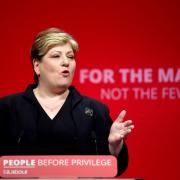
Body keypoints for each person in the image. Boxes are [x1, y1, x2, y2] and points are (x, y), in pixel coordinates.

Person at [0, 27, 134, 175]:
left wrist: (114, 146)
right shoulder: (7, 108)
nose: (66, 62)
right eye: (56, 56)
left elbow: (115, 168)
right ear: (37, 65)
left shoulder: (95, 110)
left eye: (70, 57)